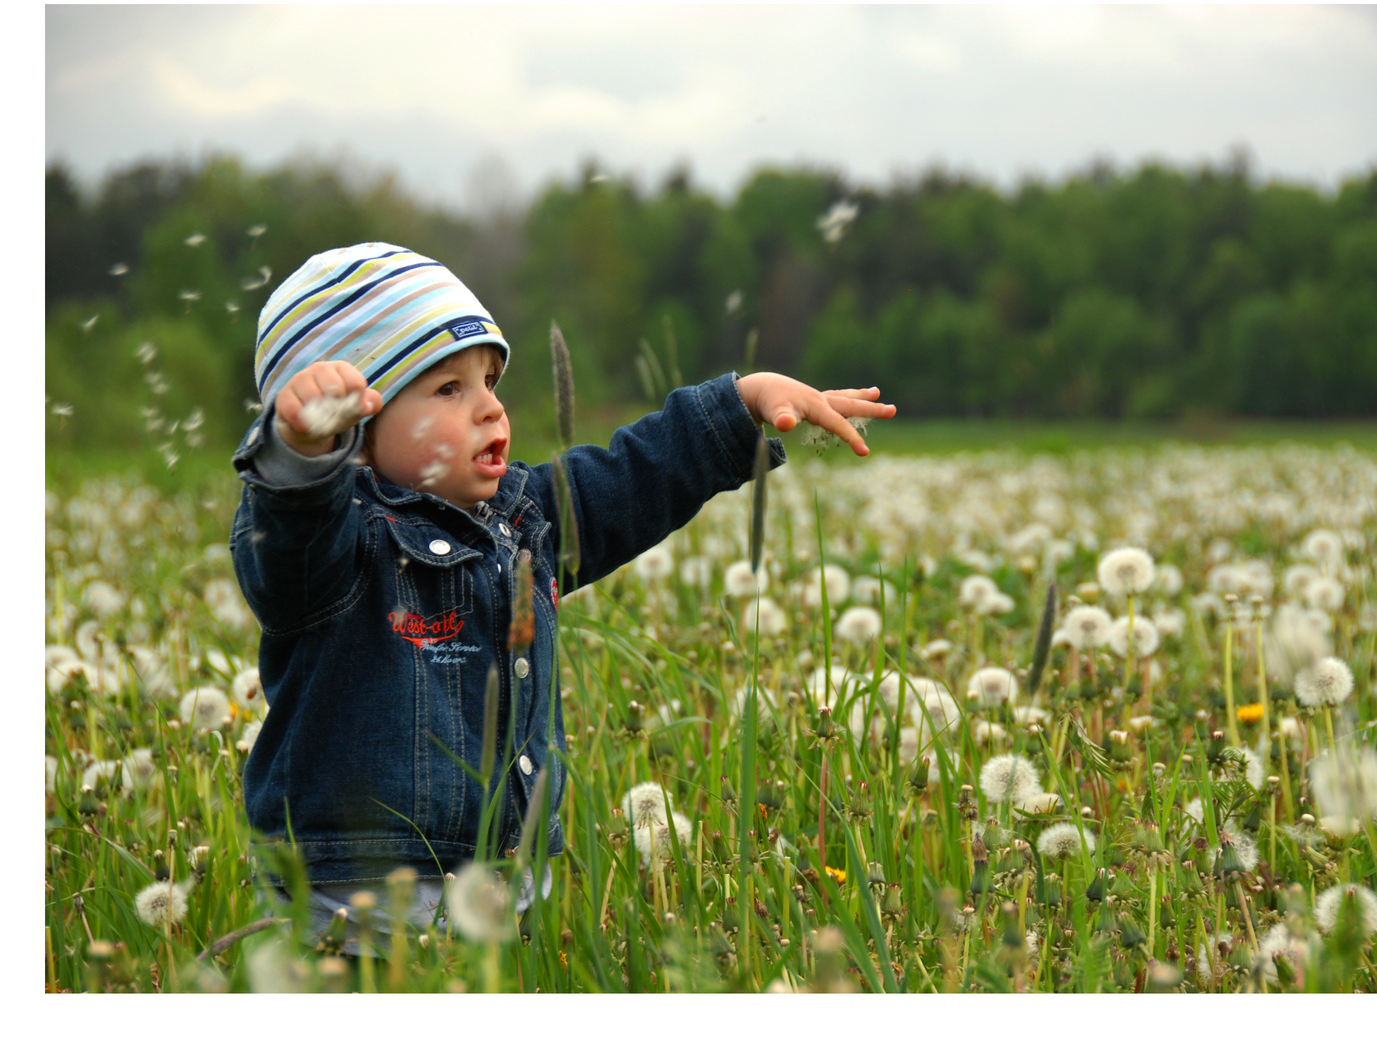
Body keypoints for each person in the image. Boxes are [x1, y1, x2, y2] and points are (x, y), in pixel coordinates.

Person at [230, 242, 893, 950]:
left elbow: (630, 481)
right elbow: (289, 537)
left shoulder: (524, 519)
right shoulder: (338, 552)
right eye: (448, 390)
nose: (490, 411)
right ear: (352, 435)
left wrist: (738, 405)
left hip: (505, 893)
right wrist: (299, 457)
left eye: (490, 381)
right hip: (359, 909)